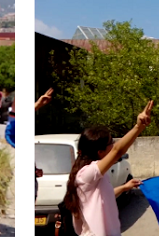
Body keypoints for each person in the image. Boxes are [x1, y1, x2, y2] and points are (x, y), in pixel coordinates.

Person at [64, 100, 152, 236]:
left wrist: (124, 187)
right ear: (100, 152)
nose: (114, 144)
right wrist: (138, 127)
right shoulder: (87, 174)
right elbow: (118, 151)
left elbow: (103, 197)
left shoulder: (95, 174)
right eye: (111, 142)